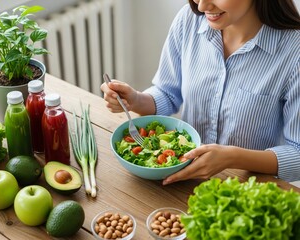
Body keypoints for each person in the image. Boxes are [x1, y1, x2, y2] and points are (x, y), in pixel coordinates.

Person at [101, 0, 300, 184]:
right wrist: (135, 99)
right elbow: (168, 93)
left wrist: (233, 157)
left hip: (248, 189)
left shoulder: (294, 52)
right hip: (182, 180)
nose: (202, 5)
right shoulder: (189, 20)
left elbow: (297, 154)